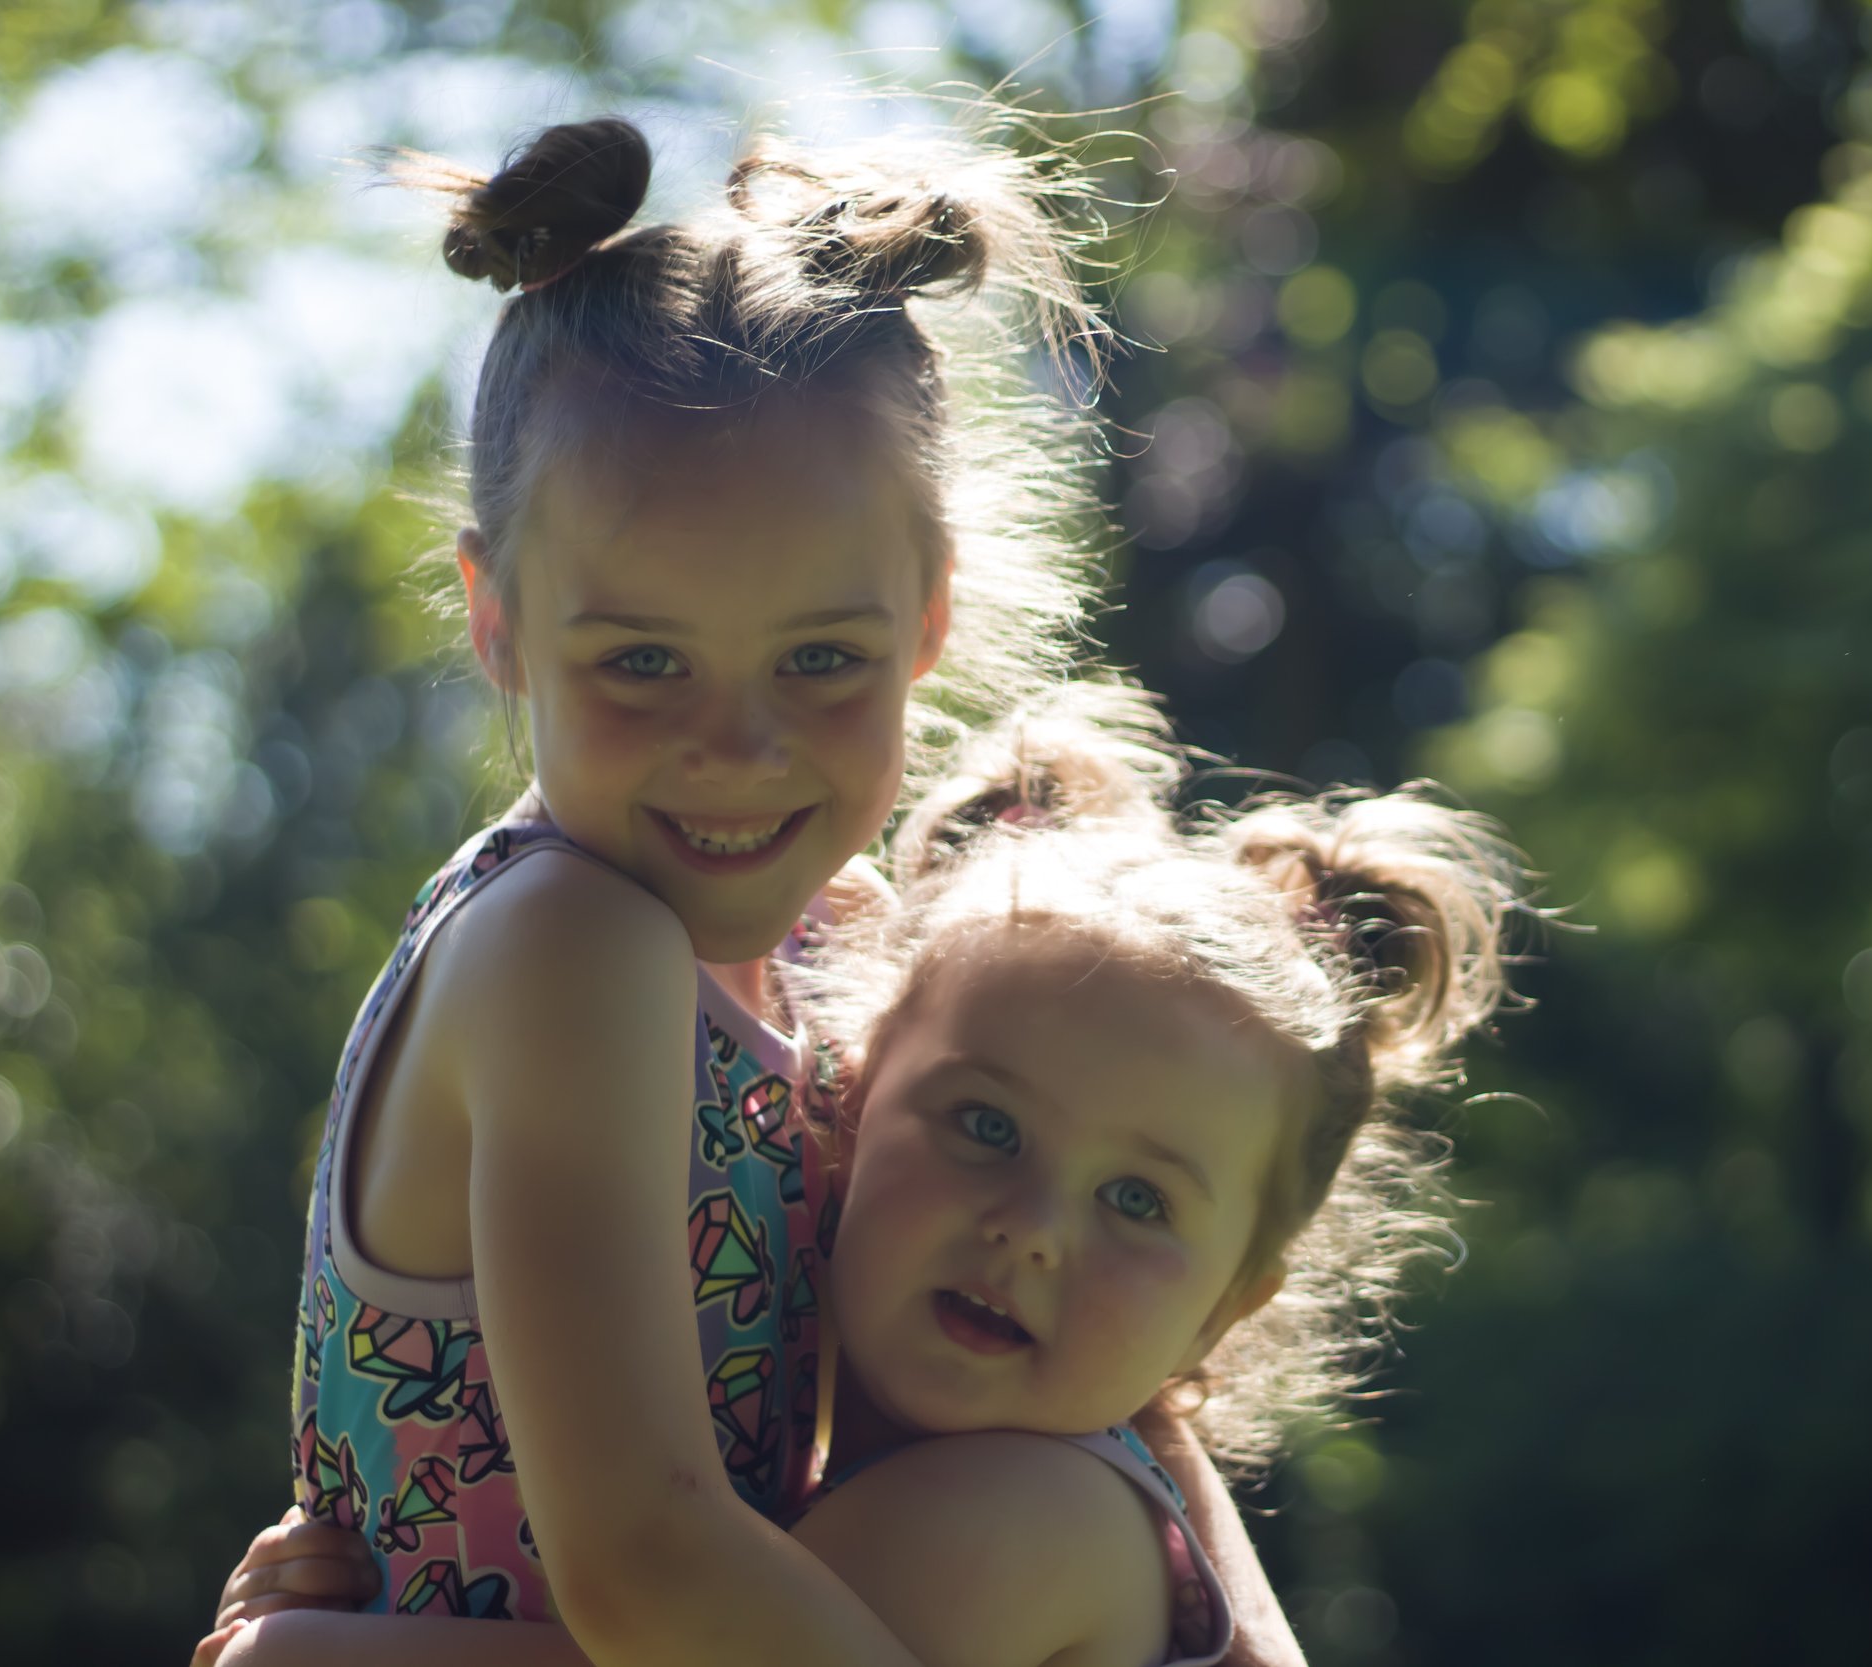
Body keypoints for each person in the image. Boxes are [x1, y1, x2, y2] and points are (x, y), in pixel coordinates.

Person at [195, 109, 1311, 1667]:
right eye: (643, 662)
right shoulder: (568, 946)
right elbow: (648, 1570)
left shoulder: (833, 941)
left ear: (927, 620)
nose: (737, 746)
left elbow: (1100, 1407)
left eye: (821, 661)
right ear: (498, 620)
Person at [202, 690, 1529, 1667]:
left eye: (1139, 1202)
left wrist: (315, 1653)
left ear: (1230, 1306)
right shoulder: (888, 1462)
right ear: (844, 1105)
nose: (1031, 1232)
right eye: (987, 1129)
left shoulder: (1018, 1515)